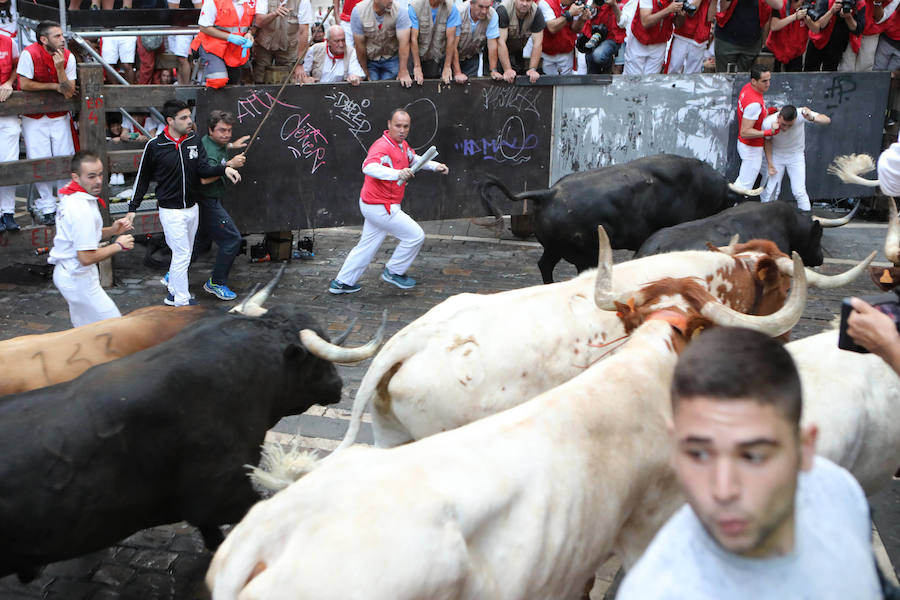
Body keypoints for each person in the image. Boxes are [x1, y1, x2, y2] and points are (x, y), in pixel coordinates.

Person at [617, 326, 883, 599]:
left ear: (804, 448)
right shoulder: (657, 591)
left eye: (753, 456)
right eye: (698, 454)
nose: (723, 491)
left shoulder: (840, 490)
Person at [127, 100, 240, 307]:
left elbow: (204, 169)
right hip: (171, 211)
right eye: (184, 118)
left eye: (189, 116)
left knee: (185, 254)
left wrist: (224, 168)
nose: (189, 121)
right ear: (170, 121)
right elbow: (142, 178)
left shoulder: (194, 140)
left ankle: (173, 293)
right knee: (182, 254)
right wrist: (133, 208)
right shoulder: (155, 146)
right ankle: (181, 300)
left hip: (192, 208)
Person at [329, 109, 449, 294]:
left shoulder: (402, 145)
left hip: (374, 205)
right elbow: (368, 166)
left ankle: (342, 282)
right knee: (415, 236)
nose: (402, 130)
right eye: (398, 126)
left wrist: (435, 166)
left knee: (367, 245)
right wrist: (397, 174)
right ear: (389, 125)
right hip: (381, 206)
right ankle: (394, 271)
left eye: (406, 126)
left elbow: (413, 159)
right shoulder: (381, 146)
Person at [48, 150, 136, 328]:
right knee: (117, 328)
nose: (98, 181)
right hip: (77, 278)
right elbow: (86, 257)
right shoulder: (81, 209)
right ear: (76, 177)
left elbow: (84, 235)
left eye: (100, 174)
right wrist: (119, 245)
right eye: (91, 176)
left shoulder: (73, 195)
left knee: (85, 331)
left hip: (72, 274)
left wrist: (112, 230)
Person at [16, 20, 77, 226]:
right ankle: (47, 206)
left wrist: (60, 69)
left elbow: (69, 91)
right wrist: (53, 86)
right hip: (34, 116)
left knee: (65, 157)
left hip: (59, 114)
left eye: (62, 35)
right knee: (39, 159)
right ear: (44, 39)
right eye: (57, 36)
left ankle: (66, 203)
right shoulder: (29, 54)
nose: (62, 39)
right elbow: (24, 84)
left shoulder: (68, 56)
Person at [192, 110, 248, 301]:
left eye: (229, 130)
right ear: (210, 130)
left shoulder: (215, 143)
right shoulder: (209, 150)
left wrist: (232, 145)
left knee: (200, 241)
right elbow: (204, 179)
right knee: (232, 239)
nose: (226, 134)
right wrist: (230, 164)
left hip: (209, 199)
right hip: (207, 200)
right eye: (222, 130)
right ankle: (216, 283)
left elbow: (220, 148)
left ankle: (173, 274)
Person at [761, 104, 830, 212]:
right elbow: (767, 142)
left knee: (799, 191)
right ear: (778, 117)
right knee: (771, 191)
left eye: (790, 125)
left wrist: (811, 117)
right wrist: (770, 163)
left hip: (796, 156)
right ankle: (766, 217)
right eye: (783, 124)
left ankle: (807, 218)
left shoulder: (801, 114)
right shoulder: (768, 123)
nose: (786, 128)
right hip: (776, 156)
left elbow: (827, 120)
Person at [731, 64, 777, 196]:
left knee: (769, 172)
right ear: (754, 81)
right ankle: (731, 207)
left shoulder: (748, 88)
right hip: (752, 149)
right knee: (743, 187)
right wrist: (768, 132)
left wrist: (770, 111)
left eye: (769, 80)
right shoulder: (754, 104)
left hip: (752, 147)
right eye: (764, 81)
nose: (768, 84)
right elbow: (745, 132)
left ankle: (766, 200)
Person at [191, 0, 257, 88]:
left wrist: (249, 34)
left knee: (233, 84)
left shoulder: (251, 2)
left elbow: (253, 24)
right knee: (218, 80)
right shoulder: (213, 2)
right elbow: (204, 27)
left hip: (235, 49)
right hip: (212, 47)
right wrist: (230, 37)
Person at [351, 0, 413, 85]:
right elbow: (359, 45)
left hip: (391, 57)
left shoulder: (400, 11)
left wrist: (403, 70)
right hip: (370, 59)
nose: (391, 0)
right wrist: (363, 70)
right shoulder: (358, 12)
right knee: (370, 87)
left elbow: (404, 43)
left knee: (390, 87)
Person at [251, 0, 313, 84]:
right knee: (259, 79)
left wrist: (299, 62)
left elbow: (303, 32)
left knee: (288, 81)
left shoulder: (303, 1)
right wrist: (274, 14)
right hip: (264, 46)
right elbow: (258, 21)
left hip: (289, 47)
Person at [714, 0, 780, 72]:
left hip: (752, 44)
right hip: (726, 42)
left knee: (744, 77)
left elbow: (778, 5)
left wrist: (763, 43)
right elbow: (721, 8)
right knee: (724, 77)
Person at [407, 0, 460, 84]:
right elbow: (413, 38)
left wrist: (447, 67)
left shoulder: (451, 8)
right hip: (415, 54)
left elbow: (451, 39)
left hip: (436, 56)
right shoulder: (415, 6)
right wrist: (417, 66)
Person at [804, 0, 866, 71]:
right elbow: (818, 26)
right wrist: (831, 11)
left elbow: (858, 30)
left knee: (830, 74)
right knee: (810, 71)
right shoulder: (825, 1)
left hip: (837, 44)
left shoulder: (859, 3)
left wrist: (848, 17)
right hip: (817, 41)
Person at [624, 0, 681, 74]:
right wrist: (668, 10)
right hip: (639, 43)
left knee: (651, 79)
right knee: (633, 78)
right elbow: (645, 22)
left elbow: (678, 25)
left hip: (659, 44)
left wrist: (681, 15)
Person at [452, 0, 502, 81]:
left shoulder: (492, 14)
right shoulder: (459, 12)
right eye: (481, 7)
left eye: (487, 7)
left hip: (472, 56)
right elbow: (452, 45)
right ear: (471, 3)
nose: (484, 11)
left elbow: (492, 44)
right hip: (451, 56)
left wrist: (493, 70)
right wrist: (457, 72)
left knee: (471, 84)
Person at [496, 0, 544, 82]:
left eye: (528, 1)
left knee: (517, 80)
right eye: (521, 0)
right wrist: (507, 69)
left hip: (517, 50)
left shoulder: (536, 12)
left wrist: (532, 69)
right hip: (496, 52)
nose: (524, 4)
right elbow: (500, 42)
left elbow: (538, 43)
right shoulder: (503, 10)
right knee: (495, 81)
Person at [0, 27, 18, 232]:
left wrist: (9, 82)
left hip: (9, 109)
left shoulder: (8, 41)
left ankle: (9, 212)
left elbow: (16, 66)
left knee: (10, 161)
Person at [539, 0, 588, 75]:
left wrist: (582, 19)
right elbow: (552, 28)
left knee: (566, 81)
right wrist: (569, 13)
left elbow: (575, 29)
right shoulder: (545, 2)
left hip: (566, 52)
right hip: (547, 53)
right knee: (548, 81)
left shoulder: (575, 4)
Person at [765, 0, 815, 71]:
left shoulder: (808, 8)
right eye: (802, 3)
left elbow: (816, 30)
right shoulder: (780, 5)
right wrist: (794, 16)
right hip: (777, 50)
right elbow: (774, 26)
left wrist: (809, 20)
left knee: (795, 77)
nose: (803, 5)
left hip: (796, 53)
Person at [666, 0, 712, 73]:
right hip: (682, 35)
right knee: (673, 71)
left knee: (694, 75)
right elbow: (691, 11)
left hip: (700, 38)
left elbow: (710, 18)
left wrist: (714, 1)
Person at [580, 0, 624, 74]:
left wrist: (614, 4)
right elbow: (590, 10)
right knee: (590, 59)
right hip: (594, 36)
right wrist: (589, 11)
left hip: (612, 37)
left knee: (599, 55)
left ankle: (609, 67)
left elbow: (623, 22)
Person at [168, 0, 202, 86]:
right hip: (179, 25)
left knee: (192, 57)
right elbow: (174, 12)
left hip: (195, 25)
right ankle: (181, 84)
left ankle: (187, 85)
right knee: (180, 58)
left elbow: (199, 13)